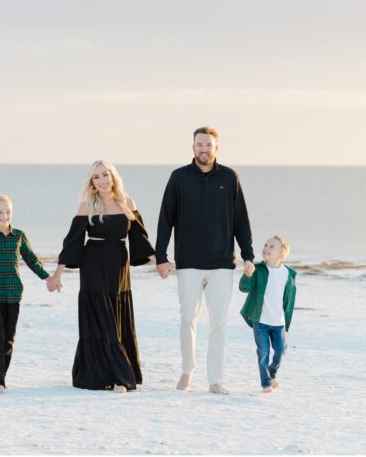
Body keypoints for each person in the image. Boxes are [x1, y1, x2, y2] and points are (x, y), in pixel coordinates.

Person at [155, 126, 256, 395]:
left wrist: (248, 255)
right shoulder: (178, 178)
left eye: (208, 145)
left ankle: (215, 379)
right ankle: (187, 371)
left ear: (216, 148)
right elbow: (166, 219)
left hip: (222, 263)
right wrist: (161, 256)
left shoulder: (230, 177)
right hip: (188, 261)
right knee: (188, 317)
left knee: (218, 322)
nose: (204, 149)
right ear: (193, 147)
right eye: (200, 145)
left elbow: (240, 220)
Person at [50, 161, 156, 392]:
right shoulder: (87, 205)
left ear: (113, 176)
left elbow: (140, 239)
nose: (102, 180)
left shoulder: (128, 203)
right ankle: (120, 378)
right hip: (94, 265)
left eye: (105, 175)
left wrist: (160, 263)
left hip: (119, 266)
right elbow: (72, 242)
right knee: (104, 321)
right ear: (92, 183)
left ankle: (115, 374)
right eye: (96, 177)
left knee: (117, 320)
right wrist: (57, 274)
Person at [0, 195, 56, 394]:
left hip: (14, 294)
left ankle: (2, 375)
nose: (4, 215)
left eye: (8, 211)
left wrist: (47, 278)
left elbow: (32, 260)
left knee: (9, 338)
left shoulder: (19, 236)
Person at [239, 235, 297, 393]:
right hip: (261, 321)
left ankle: (272, 373)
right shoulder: (258, 269)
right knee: (263, 351)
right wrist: (248, 274)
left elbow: (289, 300)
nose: (266, 248)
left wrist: (287, 321)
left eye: (272, 246)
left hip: (279, 321)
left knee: (280, 350)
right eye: (266, 245)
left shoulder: (288, 274)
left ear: (281, 254)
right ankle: (265, 382)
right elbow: (244, 288)